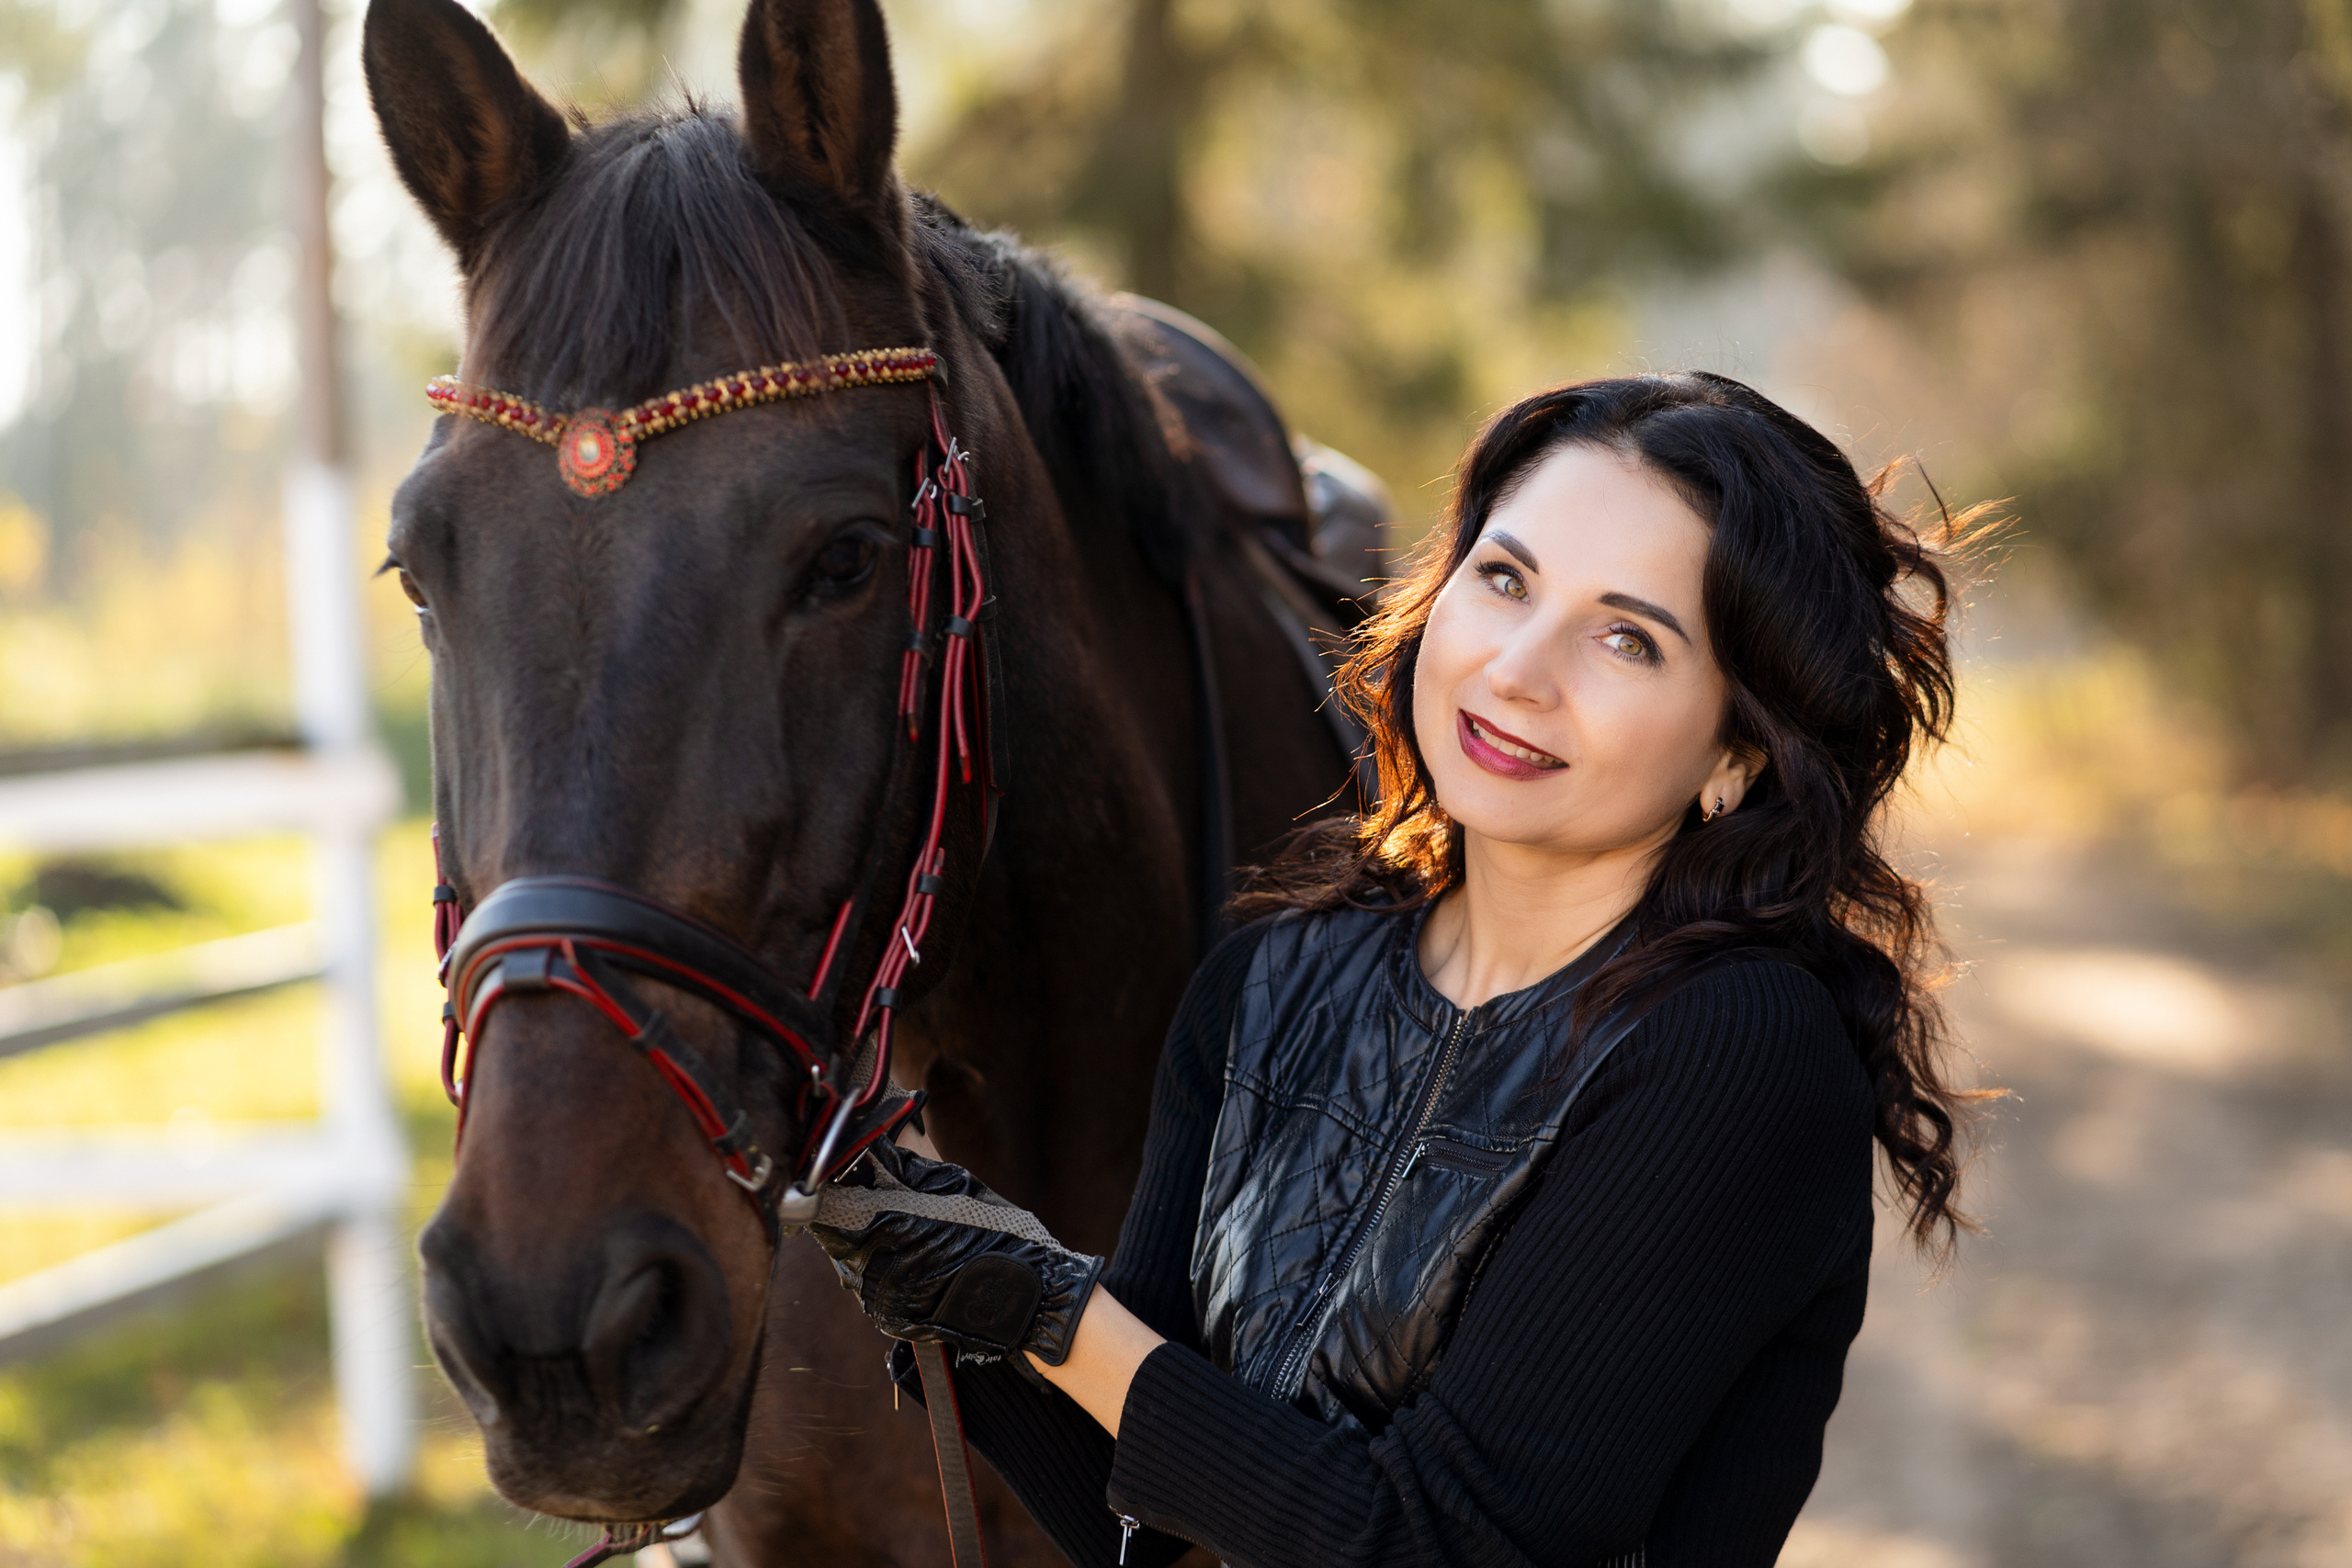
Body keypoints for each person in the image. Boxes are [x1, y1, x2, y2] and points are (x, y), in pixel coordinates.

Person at [808, 371, 1989, 1567]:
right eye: (1505, 579)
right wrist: (938, 1279)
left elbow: (1440, 1544)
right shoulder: (1266, 988)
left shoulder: (1734, 1054)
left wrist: (1055, 1316)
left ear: (1738, 749)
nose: (1519, 668)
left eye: (1627, 637)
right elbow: (1143, 1526)